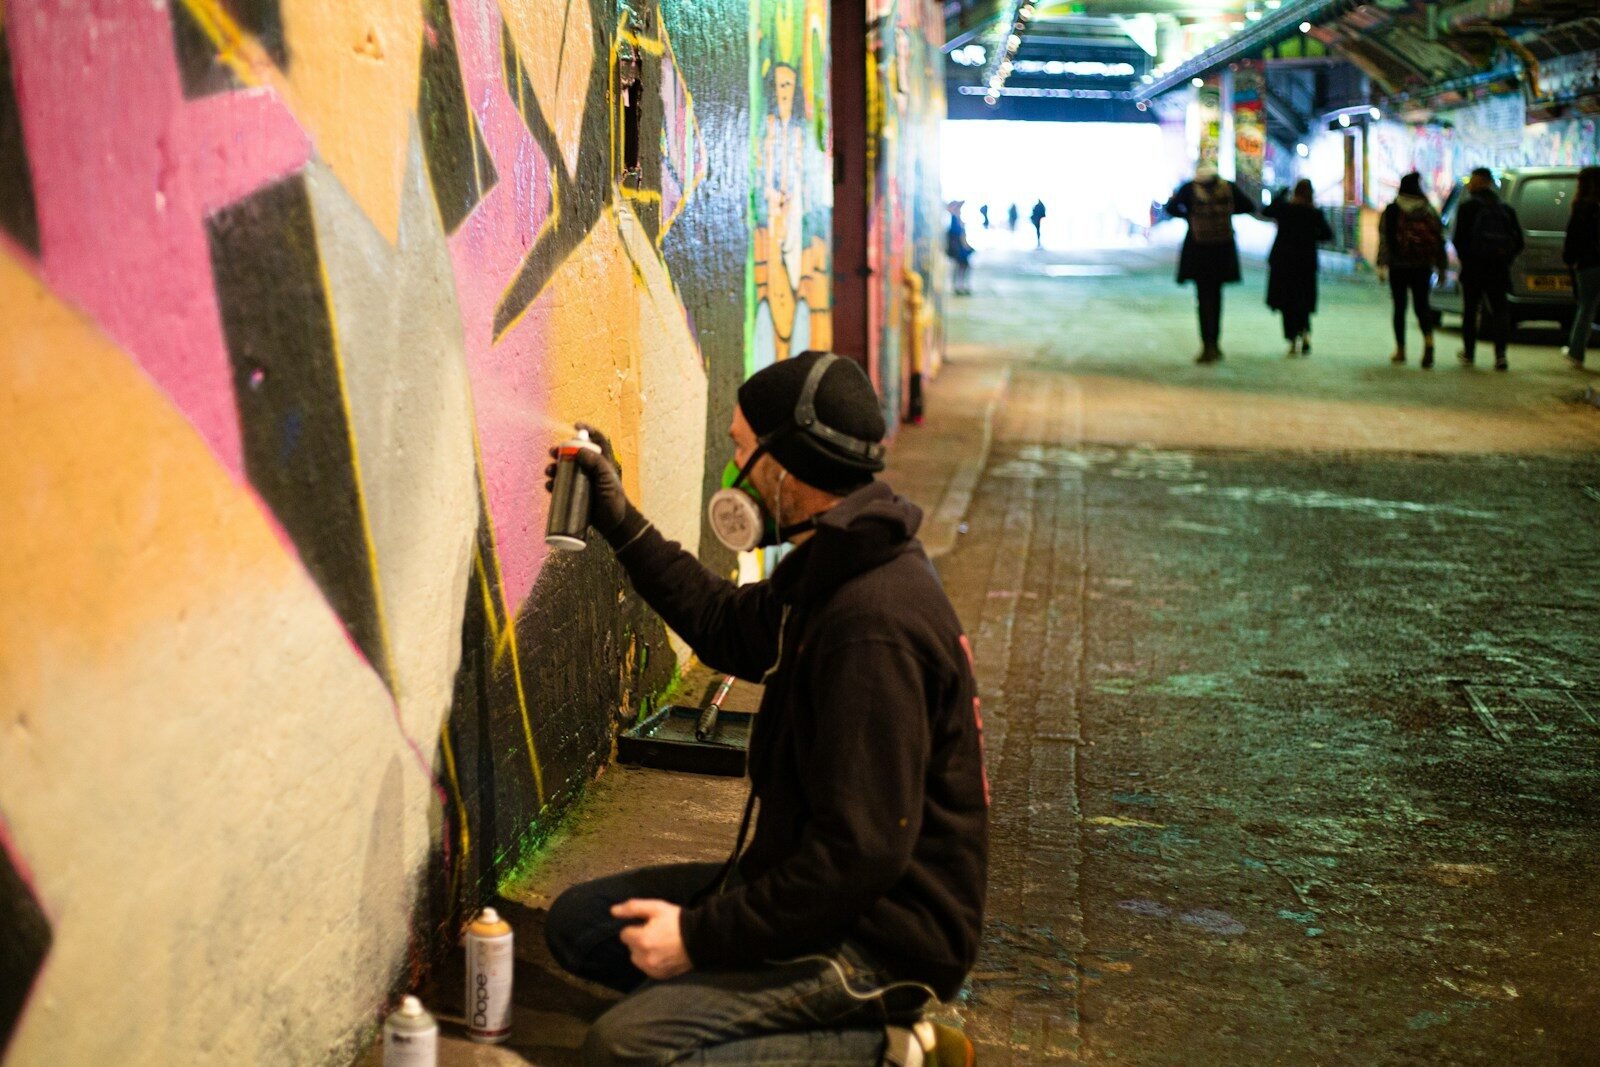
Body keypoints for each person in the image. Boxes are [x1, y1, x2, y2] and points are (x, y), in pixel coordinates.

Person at [542, 351, 990, 1067]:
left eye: (742, 449)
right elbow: (725, 623)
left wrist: (699, 937)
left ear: (786, 464)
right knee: (583, 925)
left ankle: (893, 1048)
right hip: (800, 881)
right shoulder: (831, 563)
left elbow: (857, 859)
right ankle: (745, 1013)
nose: (734, 471)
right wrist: (618, 518)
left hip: (874, 935)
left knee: (623, 1050)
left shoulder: (872, 627)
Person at [1165, 164, 1255, 363]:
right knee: (1216, 297)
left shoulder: (1189, 188)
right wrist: (1227, 212)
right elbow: (1249, 206)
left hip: (1198, 250)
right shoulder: (1227, 187)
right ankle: (1216, 344)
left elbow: (1170, 208)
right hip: (1222, 249)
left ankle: (1206, 345)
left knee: (1203, 298)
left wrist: (1189, 215)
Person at [1452, 167, 1524, 370]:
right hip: (1498, 269)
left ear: (1481, 182)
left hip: (1474, 269)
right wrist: (1505, 259)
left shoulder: (1467, 208)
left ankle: (1469, 353)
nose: (1469, 185)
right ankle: (1500, 355)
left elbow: (1459, 240)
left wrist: (1467, 259)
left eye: (1472, 181)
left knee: (1470, 311)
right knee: (1500, 311)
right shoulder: (1506, 209)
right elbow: (1518, 241)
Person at [1376, 172, 1448, 367]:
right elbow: (1439, 239)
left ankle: (1400, 350)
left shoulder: (1392, 209)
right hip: (1422, 266)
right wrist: (1441, 267)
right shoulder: (1428, 210)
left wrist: (1381, 264)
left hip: (1398, 265)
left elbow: (1384, 239)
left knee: (1400, 307)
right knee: (1422, 306)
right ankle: (1429, 343)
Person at [1262, 179, 1334, 357]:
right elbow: (1328, 234)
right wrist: (1310, 236)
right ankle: (1305, 333)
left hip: (1283, 262)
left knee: (1287, 302)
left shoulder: (1286, 209)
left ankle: (1292, 340)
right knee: (1303, 300)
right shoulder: (1313, 213)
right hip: (1305, 263)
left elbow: (1266, 211)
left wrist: (1280, 194)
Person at [1561, 165, 1600, 368]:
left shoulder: (1583, 206)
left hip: (1589, 264)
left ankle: (1576, 352)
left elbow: (1574, 235)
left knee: (1586, 307)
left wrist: (1570, 258)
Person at [946, 200, 975, 296]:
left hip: (958, 247)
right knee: (961, 266)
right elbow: (958, 235)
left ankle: (960, 285)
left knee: (963, 266)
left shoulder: (956, 219)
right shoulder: (953, 219)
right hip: (957, 248)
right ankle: (958, 286)